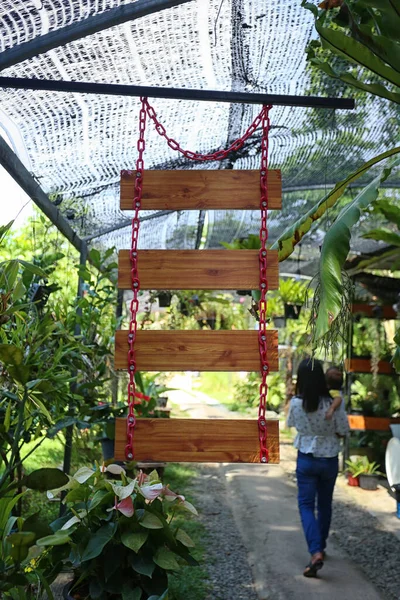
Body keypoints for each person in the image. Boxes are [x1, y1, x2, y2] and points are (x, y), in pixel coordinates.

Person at [287, 358, 349, 578]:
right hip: (329, 459)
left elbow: (292, 425)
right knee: (324, 505)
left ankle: (315, 552)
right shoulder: (334, 403)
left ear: (301, 379)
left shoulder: (296, 403)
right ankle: (320, 547)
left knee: (305, 505)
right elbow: (343, 429)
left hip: (306, 458)